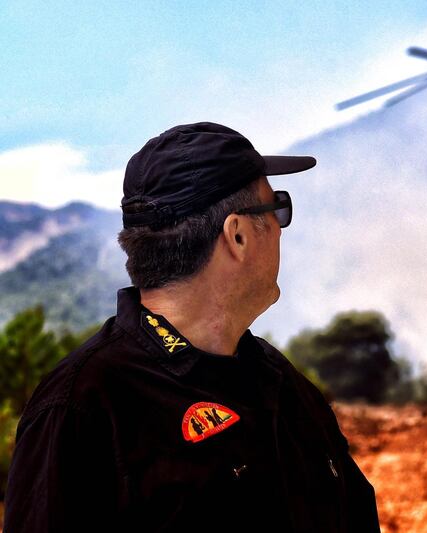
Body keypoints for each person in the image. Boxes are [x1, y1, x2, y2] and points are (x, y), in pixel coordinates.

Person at [3, 122, 381, 532]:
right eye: (277, 209)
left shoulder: (284, 385)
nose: (279, 229)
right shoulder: (81, 408)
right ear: (236, 235)